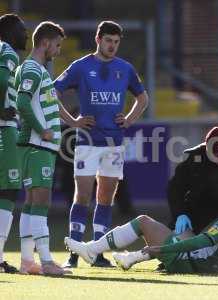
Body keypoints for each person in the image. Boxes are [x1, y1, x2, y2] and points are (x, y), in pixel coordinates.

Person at [55, 20, 148, 268]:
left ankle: (97, 252)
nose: (112, 46)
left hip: (114, 143)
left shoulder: (125, 68)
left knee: (105, 197)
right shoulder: (81, 66)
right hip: (86, 141)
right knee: (82, 195)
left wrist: (129, 119)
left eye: (116, 42)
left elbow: (143, 98)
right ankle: (73, 253)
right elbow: (53, 92)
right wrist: (72, 121)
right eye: (108, 41)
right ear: (98, 40)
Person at [65, 186, 218, 274]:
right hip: (209, 265)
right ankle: (131, 258)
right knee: (184, 233)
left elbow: (200, 243)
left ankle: (92, 250)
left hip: (188, 262)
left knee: (143, 221)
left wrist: (162, 250)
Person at [15, 21, 71, 275]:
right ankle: (47, 261)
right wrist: (42, 129)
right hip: (38, 145)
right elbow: (22, 102)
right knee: (41, 202)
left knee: (30, 203)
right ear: (46, 43)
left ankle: (28, 260)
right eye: (57, 45)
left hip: (39, 147)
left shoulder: (37, 69)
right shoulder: (32, 70)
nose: (58, 51)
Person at [0, 14, 27, 273]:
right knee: (8, 189)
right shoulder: (7, 51)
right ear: (8, 31)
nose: (26, 34)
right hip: (3, 128)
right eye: (22, 29)